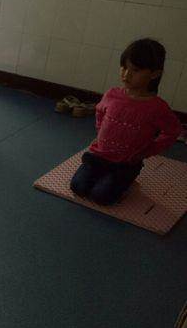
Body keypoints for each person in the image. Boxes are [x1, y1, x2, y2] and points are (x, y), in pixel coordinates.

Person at [70, 38, 181, 205]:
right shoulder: (112, 94)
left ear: (154, 74)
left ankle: (124, 180)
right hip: (99, 156)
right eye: (124, 67)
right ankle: (105, 177)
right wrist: (100, 133)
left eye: (135, 70)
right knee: (78, 187)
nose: (126, 74)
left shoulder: (157, 107)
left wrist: (147, 151)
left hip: (125, 164)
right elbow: (100, 112)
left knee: (100, 196)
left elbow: (173, 131)